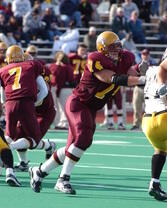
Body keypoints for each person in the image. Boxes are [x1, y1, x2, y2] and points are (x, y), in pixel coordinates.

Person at [29, 31, 145, 194]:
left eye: (118, 46)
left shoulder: (124, 57)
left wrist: (144, 74)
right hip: (78, 103)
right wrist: (141, 80)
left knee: (74, 146)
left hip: (91, 107)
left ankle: (39, 171)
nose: (117, 50)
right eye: (113, 47)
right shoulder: (95, 59)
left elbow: (131, 74)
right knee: (83, 139)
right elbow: (111, 78)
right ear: (102, 49)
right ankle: (63, 179)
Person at [142, 58, 167, 201]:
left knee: (160, 150)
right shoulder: (161, 70)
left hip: (148, 122)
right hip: (164, 116)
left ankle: (154, 183)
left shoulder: (151, 70)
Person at [49, 51, 74, 130]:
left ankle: (62, 123)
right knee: (62, 107)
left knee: (61, 107)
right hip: (63, 88)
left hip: (60, 88)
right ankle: (61, 123)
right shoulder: (68, 67)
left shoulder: (54, 66)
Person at [131, 49, 154, 130]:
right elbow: (132, 75)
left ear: (149, 55)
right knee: (137, 107)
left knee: (150, 108)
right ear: (141, 55)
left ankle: (150, 125)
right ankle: (136, 124)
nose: (145, 56)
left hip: (149, 89)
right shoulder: (137, 66)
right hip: (138, 88)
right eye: (144, 54)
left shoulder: (153, 66)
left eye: (147, 54)